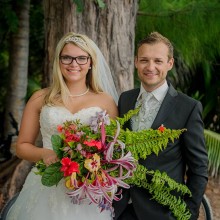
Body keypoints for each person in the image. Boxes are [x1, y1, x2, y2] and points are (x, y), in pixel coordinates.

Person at [6, 32, 118, 220]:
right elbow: (21, 146)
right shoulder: (40, 98)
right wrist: (44, 153)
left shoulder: (105, 101)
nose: (74, 64)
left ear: (91, 62)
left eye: (81, 58)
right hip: (45, 185)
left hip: (86, 189)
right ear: (58, 61)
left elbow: (112, 148)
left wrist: (91, 164)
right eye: (67, 57)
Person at [113, 31, 208, 220]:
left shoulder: (188, 107)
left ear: (170, 63)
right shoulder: (125, 99)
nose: (150, 67)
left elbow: (199, 168)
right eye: (144, 60)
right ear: (136, 62)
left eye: (158, 61)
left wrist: (186, 214)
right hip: (120, 209)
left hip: (163, 212)